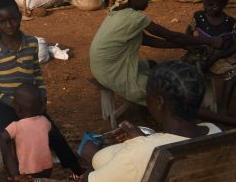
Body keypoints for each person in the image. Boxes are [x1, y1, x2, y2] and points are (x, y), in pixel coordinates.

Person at [0, 0, 84, 177]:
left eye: (13, 19)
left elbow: (36, 73)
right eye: (2, 21)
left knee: (53, 134)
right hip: (4, 103)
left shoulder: (32, 43)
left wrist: (42, 96)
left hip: (29, 104)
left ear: (20, 16)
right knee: (5, 138)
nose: (9, 25)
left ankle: (76, 169)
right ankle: (14, 173)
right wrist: (7, 101)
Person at [81, 61, 220, 182]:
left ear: (159, 102)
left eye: (147, 92)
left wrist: (92, 156)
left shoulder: (140, 153)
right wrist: (144, 139)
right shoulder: (215, 132)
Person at [89, 0, 220, 106]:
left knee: (152, 67)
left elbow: (147, 40)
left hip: (101, 69)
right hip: (112, 72)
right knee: (162, 89)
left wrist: (185, 45)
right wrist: (209, 41)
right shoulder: (135, 17)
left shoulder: (117, 11)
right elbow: (170, 36)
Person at [185, 0, 236, 114]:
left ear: (224, 4)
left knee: (233, 72)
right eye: (206, 3)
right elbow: (189, 32)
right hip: (201, 54)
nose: (208, 7)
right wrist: (191, 47)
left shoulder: (230, 23)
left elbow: (234, 45)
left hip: (222, 57)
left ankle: (223, 106)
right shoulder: (199, 17)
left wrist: (218, 56)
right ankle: (191, 103)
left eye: (213, 5)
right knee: (185, 68)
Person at [0, 84, 54, 178]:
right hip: (47, 167)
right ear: (41, 105)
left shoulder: (16, 126)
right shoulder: (45, 121)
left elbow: (1, 139)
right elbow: (50, 131)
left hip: (27, 171)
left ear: (17, 107)